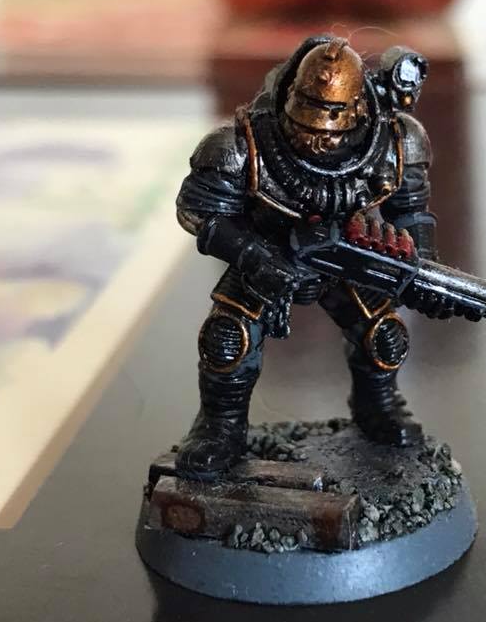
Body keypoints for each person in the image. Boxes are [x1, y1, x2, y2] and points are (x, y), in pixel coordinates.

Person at [175, 34, 436, 480]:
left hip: (347, 256)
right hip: (269, 253)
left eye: (331, 125)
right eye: (308, 124)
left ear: (358, 109)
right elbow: (200, 212)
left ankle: (378, 406)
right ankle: (221, 427)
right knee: (227, 340)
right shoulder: (241, 144)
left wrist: (422, 271)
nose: (318, 140)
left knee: (384, 337)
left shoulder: (395, 140)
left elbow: (411, 212)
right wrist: (254, 256)